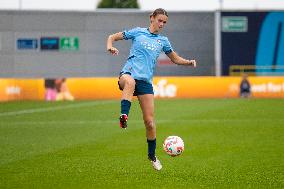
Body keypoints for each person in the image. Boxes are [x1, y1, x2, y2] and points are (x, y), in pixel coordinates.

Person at [106, 8, 197, 171]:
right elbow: (112, 37)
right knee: (130, 82)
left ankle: (152, 156)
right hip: (127, 75)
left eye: (164, 22)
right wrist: (110, 46)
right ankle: (123, 115)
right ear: (152, 18)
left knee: (150, 122)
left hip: (145, 82)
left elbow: (174, 58)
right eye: (159, 20)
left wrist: (188, 62)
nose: (161, 24)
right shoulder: (137, 33)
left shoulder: (163, 41)